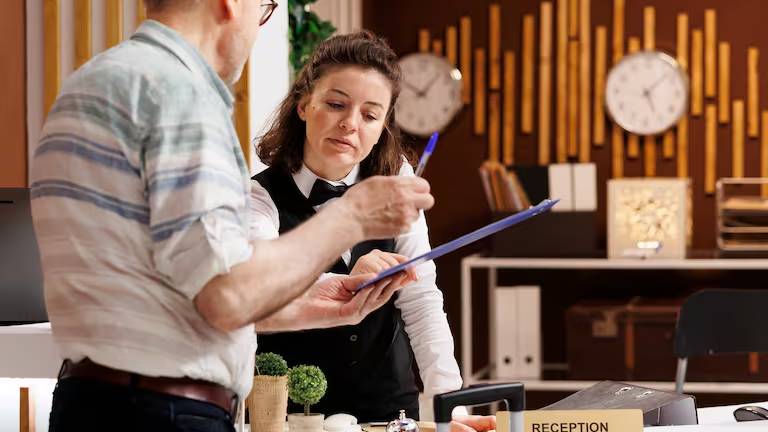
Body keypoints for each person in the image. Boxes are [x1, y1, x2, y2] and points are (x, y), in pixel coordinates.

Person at [31, 0, 435, 430]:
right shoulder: (179, 93)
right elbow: (225, 298)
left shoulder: (88, 84)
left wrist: (325, 305)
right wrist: (352, 217)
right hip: (162, 412)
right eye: (264, 9)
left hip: (86, 402)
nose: (258, 28)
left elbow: (182, 292)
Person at [249, 31, 492, 431]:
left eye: (369, 114)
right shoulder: (258, 195)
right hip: (297, 417)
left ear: (383, 125)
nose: (349, 124)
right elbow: (262, 281)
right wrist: (349, 280)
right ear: (304, 105)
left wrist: (449, 406)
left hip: (390, 412)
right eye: (335, 104)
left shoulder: (396, 177)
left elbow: (421, 300)